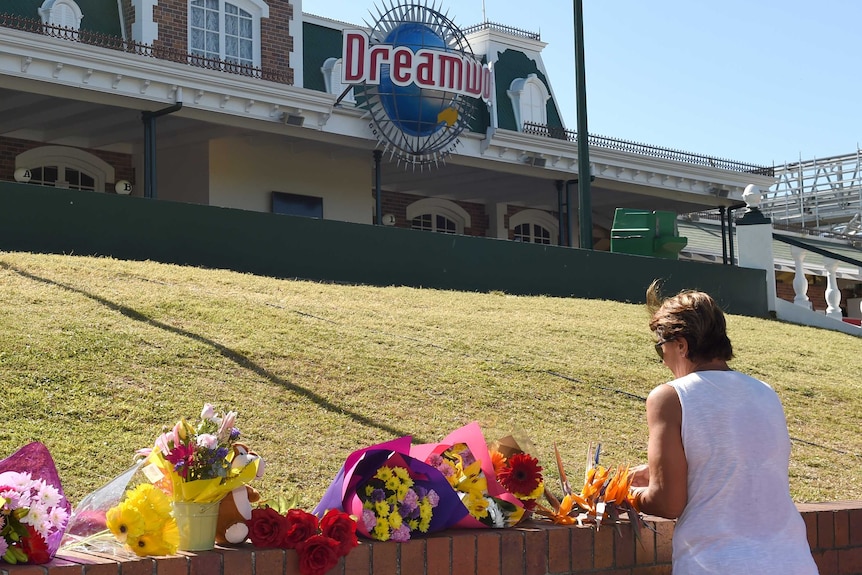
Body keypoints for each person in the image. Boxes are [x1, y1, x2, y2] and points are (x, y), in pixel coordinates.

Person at [629, 281, 818, 574]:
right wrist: (663, 472)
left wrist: (623, 492)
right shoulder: (765, 392)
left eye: (660, 348)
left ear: (681, 344)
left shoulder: (670, 396)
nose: (663, 360)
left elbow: (668, 503)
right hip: (794, 560)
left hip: (718, 563)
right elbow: (739, 472)